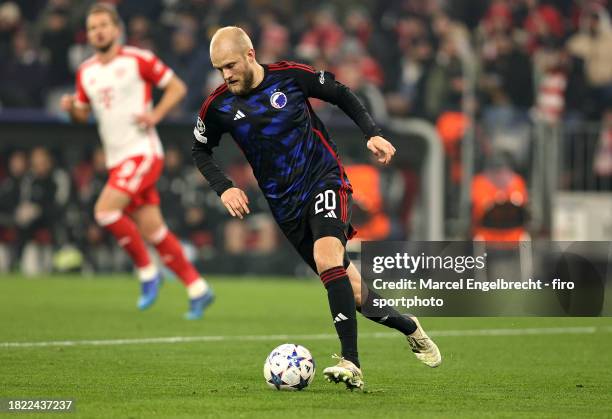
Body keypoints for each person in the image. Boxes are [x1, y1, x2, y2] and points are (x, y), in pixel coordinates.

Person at [192, 26, 441, 389]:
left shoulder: (290, 76)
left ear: (249, 55)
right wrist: (224, 187)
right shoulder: (219, 106)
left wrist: (371, 132)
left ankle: (351, 362)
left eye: (229, 65)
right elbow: (200, 150)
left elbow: (340, 92)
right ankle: (409, 326)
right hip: (285, 206)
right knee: (353, 292)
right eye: (219, 69)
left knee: (327, 258)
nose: (225, 75)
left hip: (324, 179)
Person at [60, 3, 214, 320]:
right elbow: (82, 114)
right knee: (154, 230)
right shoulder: (86, 71)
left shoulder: (137, 59)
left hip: (142, 152)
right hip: (118, 159)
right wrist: (71, 108)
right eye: (92, 27)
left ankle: (147, 272)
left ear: (117, 29)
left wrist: (155, 115)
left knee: (104, 210)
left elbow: (177, 88)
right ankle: (198, 289)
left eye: (103, 25)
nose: (98, 31)